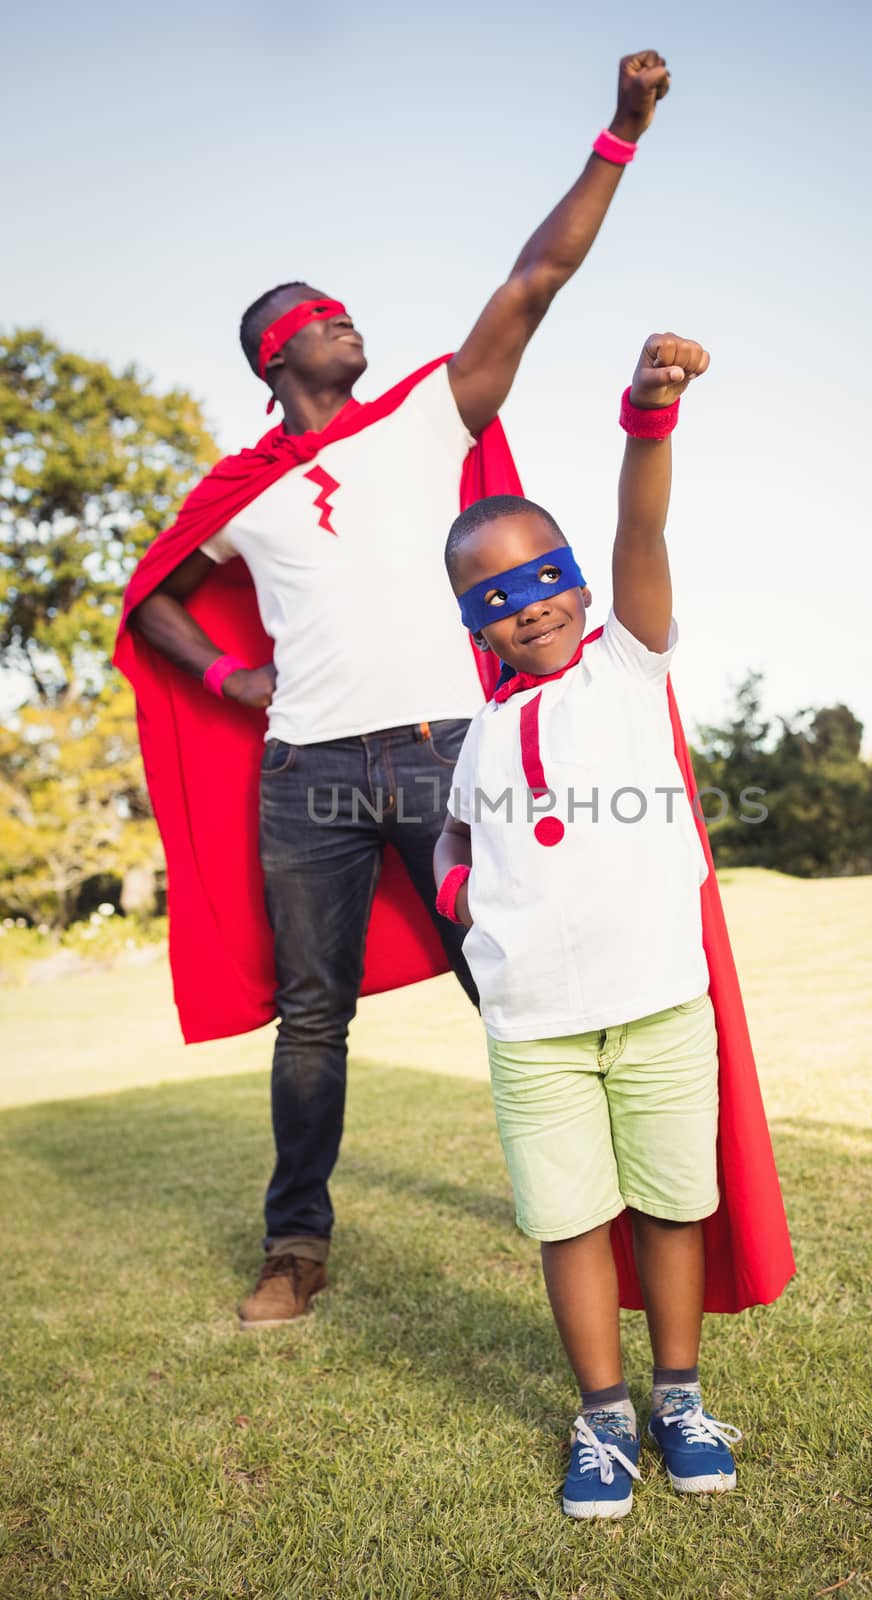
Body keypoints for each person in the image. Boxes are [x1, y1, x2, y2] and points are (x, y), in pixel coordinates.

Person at [117, 52, 672, 1331]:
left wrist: (617, 136)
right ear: (277, 349)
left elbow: (534, 283)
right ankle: (295, 1247)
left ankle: (624, 1212)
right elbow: (150, 592)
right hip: (305, 769)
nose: (348, 319)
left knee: (516, 972)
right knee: (309, 1016)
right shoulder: (237, 490)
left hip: (445, 749)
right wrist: (227, 671)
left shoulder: (428, 409)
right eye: (323, 314)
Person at [434, 332, 791, 1518]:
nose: (524, 603)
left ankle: (677, 1398)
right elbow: (457, 846)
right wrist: (460, 905)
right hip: (534, 1026)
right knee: (566, 1215)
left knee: (672, 1203)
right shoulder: (476, 735)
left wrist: (646, 417)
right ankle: (601, 1420)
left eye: (541, 576)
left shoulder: (626, 667)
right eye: (493, 595)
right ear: (471, 624)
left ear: (580, 580)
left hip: (653, 1003)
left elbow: (645, 530)